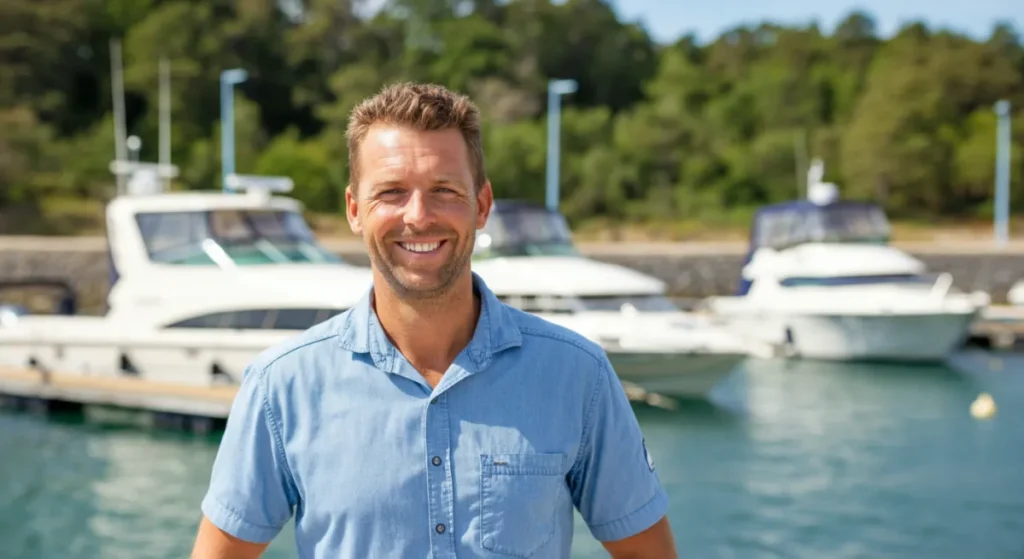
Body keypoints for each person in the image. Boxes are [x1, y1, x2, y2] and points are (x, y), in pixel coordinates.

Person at [189, 82, 677, 559]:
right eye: (392, 192)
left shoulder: (578, 376)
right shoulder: (282, 386)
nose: (418, 216)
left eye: (444, 190)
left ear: (481, 206)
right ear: (355, 210)